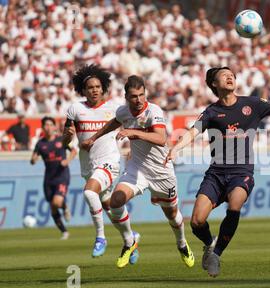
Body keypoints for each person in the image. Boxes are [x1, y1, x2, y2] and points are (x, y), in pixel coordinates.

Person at [164, 67, 270, 277]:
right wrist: (175, 149)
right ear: (214, 84)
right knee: (197, 222)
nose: (230, 77)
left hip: (241, 170)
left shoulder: (251, 104)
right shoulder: (211, 112)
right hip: (216, 173)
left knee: (234, 207)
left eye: (232, 75)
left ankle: (216, 254)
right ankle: (210, 243)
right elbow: (192, 132)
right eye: (224, 75)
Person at [80, 75, 194, 269]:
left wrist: (134, 133)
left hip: (161, 171)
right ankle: (129, 241)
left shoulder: (153, 111)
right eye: (134, 96)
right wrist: (94, 138)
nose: (139, 99)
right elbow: (114, 122)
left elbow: (161, 139)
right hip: (137, 168)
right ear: (126, 96)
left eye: (142, 95)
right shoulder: (124, 112)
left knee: (172, 214)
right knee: (116, 201)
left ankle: (182, 244)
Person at [63, 64, 140, 257]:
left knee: (89, 193)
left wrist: (132, 148)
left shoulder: (115, 109)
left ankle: (100, 237)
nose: (94, 90)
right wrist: (67, 135)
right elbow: (65, 141)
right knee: (112, 209)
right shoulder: (75, 109)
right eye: (90, 87)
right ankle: (130, 239)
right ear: (83, 90)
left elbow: (133, 126)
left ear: (103, 87)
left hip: (109, 162)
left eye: (97, 86)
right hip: (88, 166)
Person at [31, 116, 77, 240]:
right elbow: (34, 157)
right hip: (48, 178)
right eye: (46, 125)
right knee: (53, 206)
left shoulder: (61, 139)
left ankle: (65, 207)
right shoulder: (40, 143)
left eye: (51, 125)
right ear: (42, 127)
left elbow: (74, 151)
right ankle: (64, 231)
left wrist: (67, 161)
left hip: (62, 175)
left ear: (55, 127)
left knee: (56, 202)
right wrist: (33, 159)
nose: (48, 127)